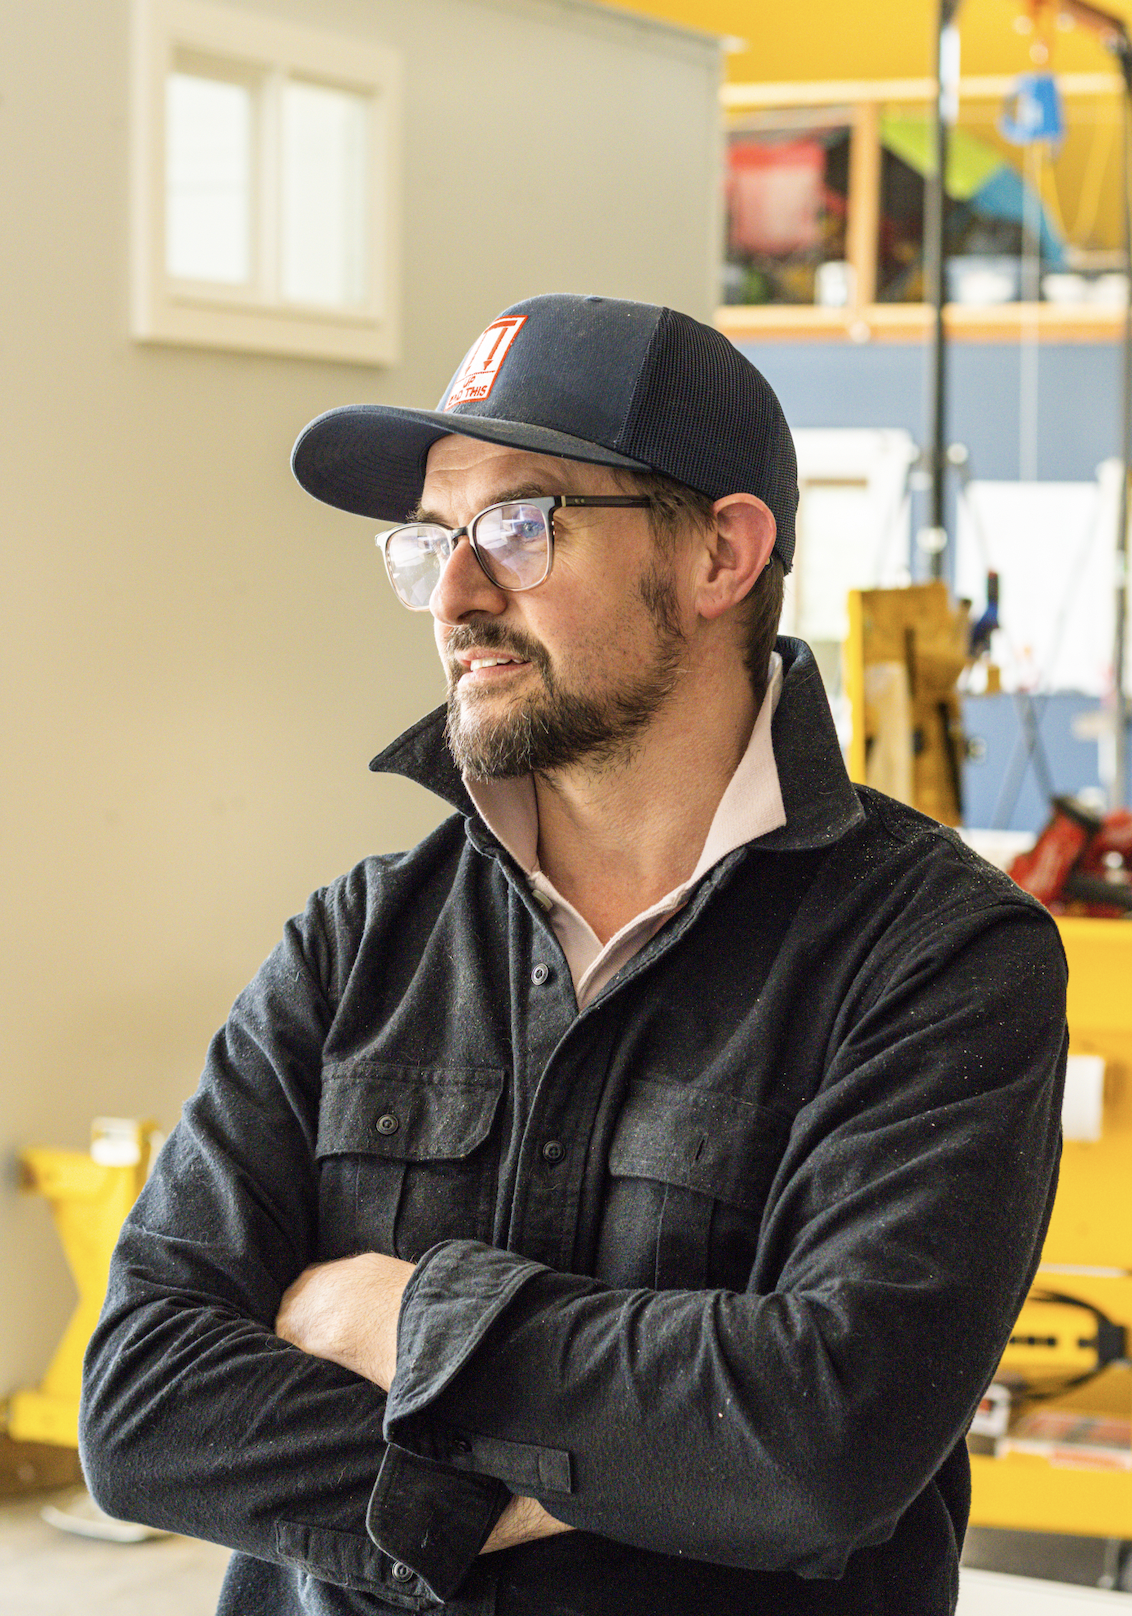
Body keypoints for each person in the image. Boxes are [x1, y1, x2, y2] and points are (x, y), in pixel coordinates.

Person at [80, 293, 1067, 1616]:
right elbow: (143, 1406)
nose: (458, 593)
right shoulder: (353, 943)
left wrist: (394, 1316)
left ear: (721, 555)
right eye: (432, 539)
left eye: (518, 524)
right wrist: (627, 1482)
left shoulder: (940, 959)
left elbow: (824, 1449)